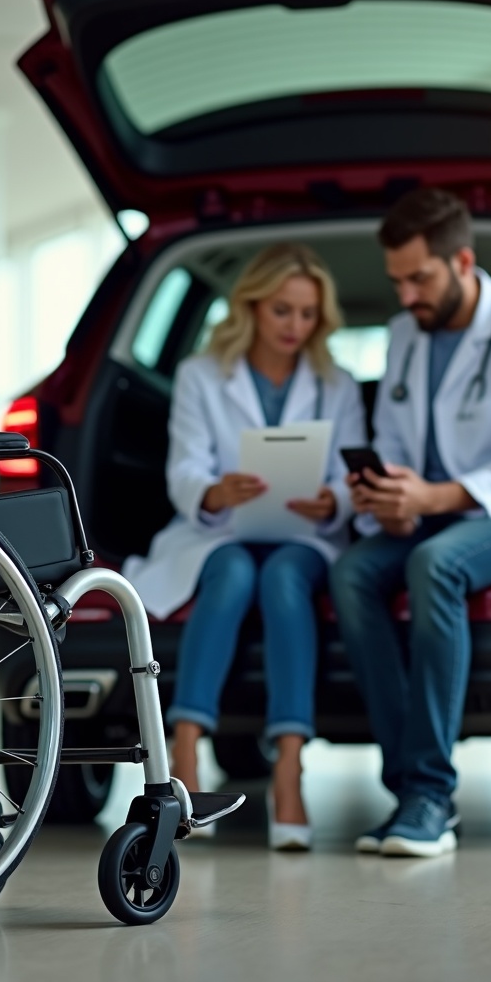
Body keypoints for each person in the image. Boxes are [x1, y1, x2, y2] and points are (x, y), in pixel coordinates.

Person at [331, 188, 491, 857]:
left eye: (420, 279)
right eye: (397, 282)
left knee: (434, 564)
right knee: (354, 572)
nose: (407, 295)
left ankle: (431, 796)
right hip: (423, 505)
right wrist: (384, 492)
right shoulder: (403, 334)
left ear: (463, 261)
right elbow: (391, 432)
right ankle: (409, 787)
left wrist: (433, 500)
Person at [124, 243, 366, 851]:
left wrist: (332, 501)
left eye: (308, 315)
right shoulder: (201, 375)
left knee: (285, 580)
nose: (295, 327)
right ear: (252, 307)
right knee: (230, 574)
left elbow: (352, 476)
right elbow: (183, 470)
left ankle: (289, 766)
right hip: (221, 530)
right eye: (282, 311)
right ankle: (183, 754)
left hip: (304, 536)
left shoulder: (338, 385)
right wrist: (214, 490)